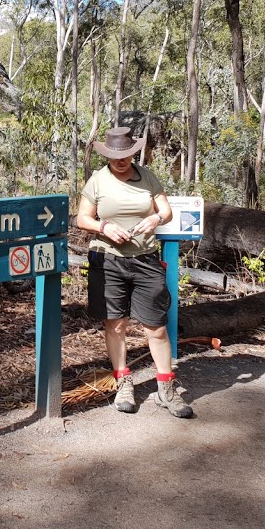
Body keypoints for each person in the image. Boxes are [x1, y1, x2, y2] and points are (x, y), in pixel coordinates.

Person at [76, 126, 193, 418]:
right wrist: (104, 227)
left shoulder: (148, 177)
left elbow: (166, 211)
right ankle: (123, 381)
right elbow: (82, 219)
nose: (121, 160)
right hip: (108, 261)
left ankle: (166, 387)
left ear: (133, 153)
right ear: (108, 155)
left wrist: (155, 218)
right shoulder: (98, 181)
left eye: (126, 154)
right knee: (115, 324)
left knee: (156, 325)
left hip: (145, 260)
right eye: (116, 156)